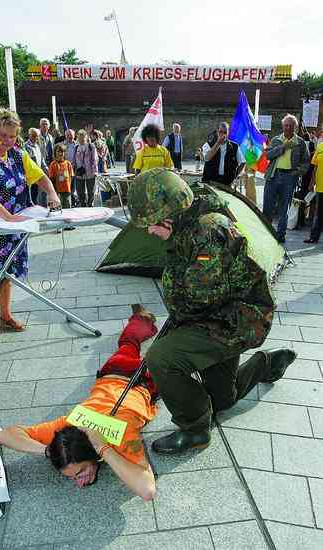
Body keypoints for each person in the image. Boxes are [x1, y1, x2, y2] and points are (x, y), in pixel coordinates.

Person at [127, 168, 297, 455]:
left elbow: (198, 296)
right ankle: (266, 365)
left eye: (152, 224)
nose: (150, 231)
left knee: (162, 358)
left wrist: (176, 327)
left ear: (170, 215)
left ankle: (194, 429)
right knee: (222, 400)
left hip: (237, 320)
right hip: (217, 315)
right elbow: (192, 298)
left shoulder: (208, 231)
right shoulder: (186, 227)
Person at [0, 305, 158, 500]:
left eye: (80, 473)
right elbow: (4, 435)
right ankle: (141, 319)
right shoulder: (68, 427)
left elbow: (147, 490)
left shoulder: (121, 434)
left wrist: (103, 448)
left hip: (145, 379)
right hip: (112, 371)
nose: (80, 483)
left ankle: (141, 318)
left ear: (91, 451)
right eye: (74, 478)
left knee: (148, 349)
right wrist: (48, 451)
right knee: (128, 343)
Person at [0, 108, 60, 341]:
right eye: (3, 135)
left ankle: (6, 315)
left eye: (13, 136)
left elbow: (41, 177)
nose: (8, 141)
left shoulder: (18, 154)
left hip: (13, 225)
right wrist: (7, 216)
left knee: (8, 272)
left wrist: (53, 195)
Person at [263, 114, 310, 243]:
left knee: (284, 208)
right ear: (282, 126)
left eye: (291, 126)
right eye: (286, 125)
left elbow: (306, 161)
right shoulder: (276, 139)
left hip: (290, 177)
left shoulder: (300, 142)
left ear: (295, 127)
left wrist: (298, 172)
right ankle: (266, 232)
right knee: (268, 206)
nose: (288, 128)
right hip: (274, 175)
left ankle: (280, 235)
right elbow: (267, 155)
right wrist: (282, 147)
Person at [304, 134, 323, 244]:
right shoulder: (320, 147)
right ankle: (314, 237)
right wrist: (312, 183)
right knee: (319, 214)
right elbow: (315, 167)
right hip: (320, 187)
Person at [73, 129, 98, 207]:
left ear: (86, 137)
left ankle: (90, 204)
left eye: (82, 137)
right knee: (80, 191)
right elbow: (74, 159)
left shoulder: (91, 146)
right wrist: (74, 170)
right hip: (79, 172)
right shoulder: (76, 147)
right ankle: (82, 205)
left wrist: (95, 171)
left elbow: (95, 159)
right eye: (79, 137)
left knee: (91, 191)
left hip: (90, 172)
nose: (81, 139)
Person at [25, 128, 49, 204]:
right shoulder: (25, 146)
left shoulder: (37, 146)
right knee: (30, 197)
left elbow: (41, 160)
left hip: (37, 175)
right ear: (29, 135)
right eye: (33, 136)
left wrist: (46, 168)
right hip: (29, 175)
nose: (35, 138)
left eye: (36, 136)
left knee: (36, 196)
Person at [49, 143, 74, 209]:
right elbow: (52, 178)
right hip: (57, 191)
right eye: (58, 151)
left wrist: (71, 189)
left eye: (62, 151)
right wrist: (54, 191)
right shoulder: (53, 164)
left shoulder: (68, 164)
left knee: (67, 207)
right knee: (57, 208)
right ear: (55, 153)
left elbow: (71, 176)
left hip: (67, 191)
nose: (60, 153)